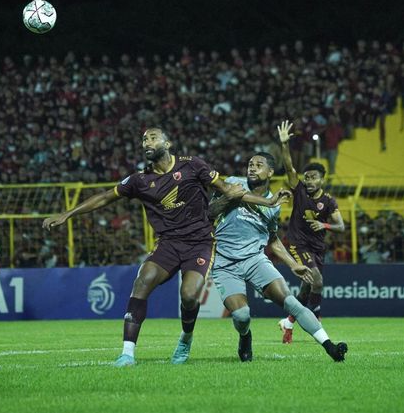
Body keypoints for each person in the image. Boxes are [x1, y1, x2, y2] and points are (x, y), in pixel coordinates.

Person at [43, 127, 288, 367]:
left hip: (200, 243)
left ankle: (186, 338)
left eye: (152, 138)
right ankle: (127, 354)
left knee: (189, 295)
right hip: (168, 244)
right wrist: (67, 214)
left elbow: (230, 191)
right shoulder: (140, 179)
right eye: (143, 139)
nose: (146, 142)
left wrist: (267, 201)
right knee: (143, 279)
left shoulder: (192, 165)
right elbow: (106, 196)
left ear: (167, 144)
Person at [209, 152, 348, 362]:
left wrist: (293, 264)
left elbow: (272, 238)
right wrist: (254, 200)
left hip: (255, 260)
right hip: (225, 263)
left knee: (293, 303)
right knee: (241, 316)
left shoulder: (274, 205)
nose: (252, 168)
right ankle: (245, 336)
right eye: (250, 164)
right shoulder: (233, 183)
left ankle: (330, 347)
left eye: (259, 165)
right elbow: (210, 211)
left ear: (270, 172)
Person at [276, 120, 345, 344]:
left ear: (322, 179)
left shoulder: (329, 201)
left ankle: (288, 322)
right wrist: (285, 145)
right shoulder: (300, 191)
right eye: (307, 177)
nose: (309, 180)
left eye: (314, 177)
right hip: (298, 243)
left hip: (317, 247)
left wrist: (324, 225)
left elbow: (341, 226)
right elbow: (289, 168)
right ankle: (315, 315)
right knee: (317, 279)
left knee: (307, 286)